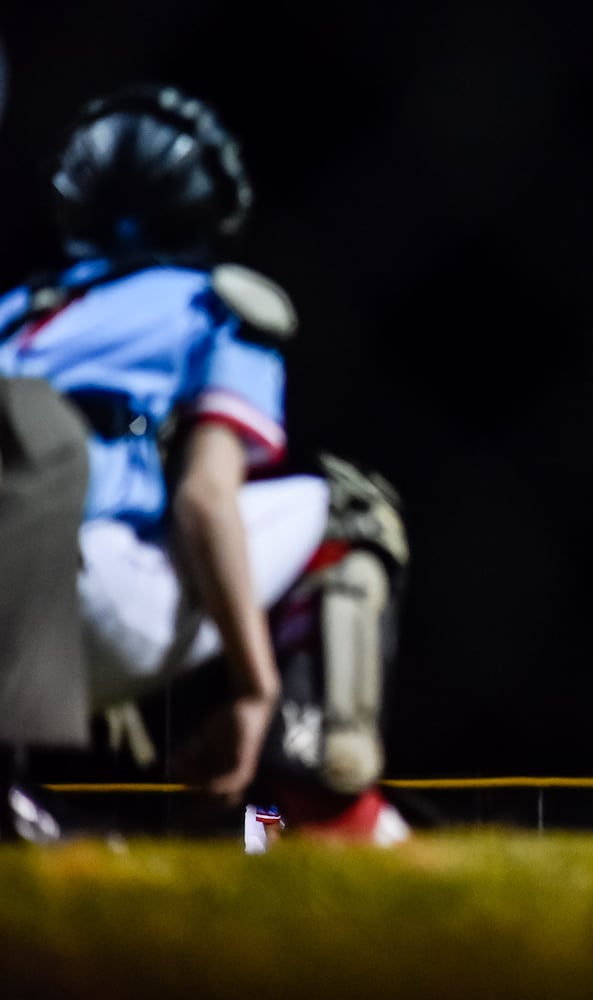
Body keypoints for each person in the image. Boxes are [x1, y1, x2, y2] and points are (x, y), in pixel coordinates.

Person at [0, 83, 409, 845]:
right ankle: (324, 802)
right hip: (85, 599)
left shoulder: (14, 311)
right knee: (348, 508)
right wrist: (254, 689)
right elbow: (203, 499)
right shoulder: (206, 302)